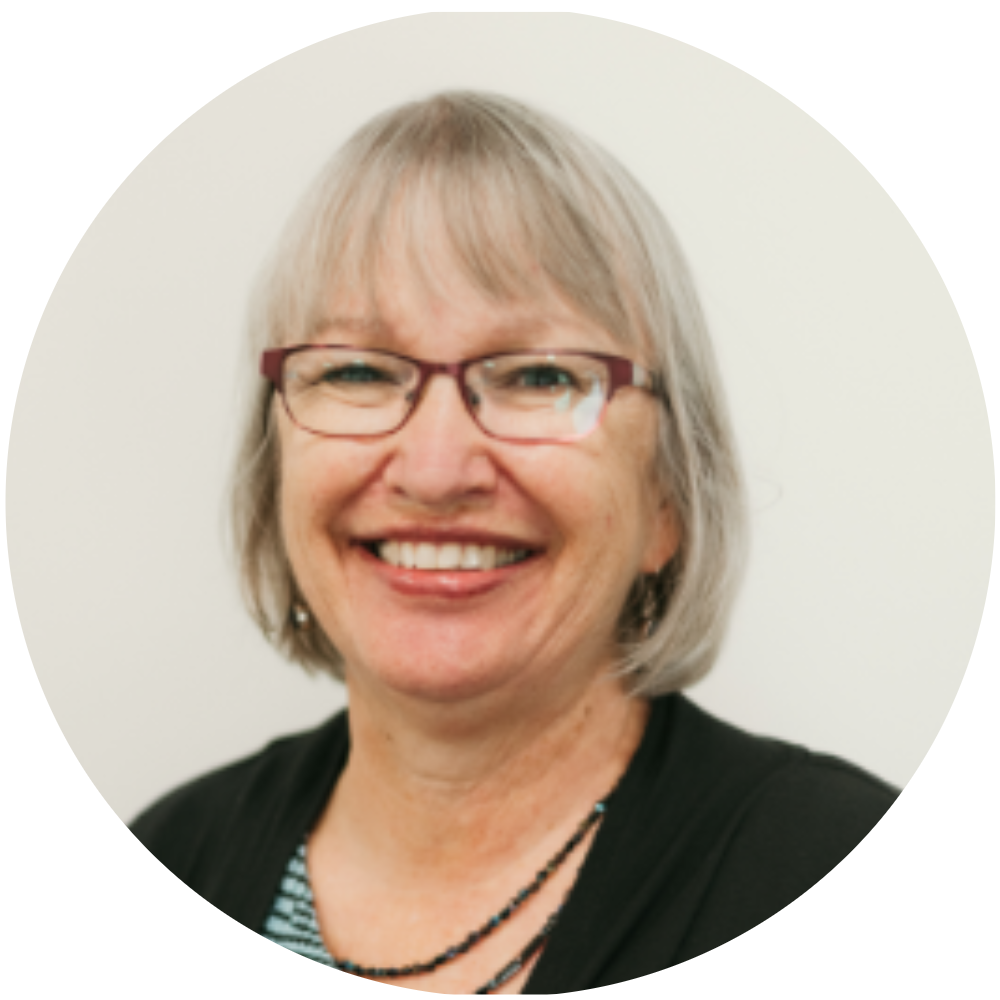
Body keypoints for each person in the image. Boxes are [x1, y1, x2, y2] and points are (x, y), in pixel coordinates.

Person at [131, 91, 896, 994]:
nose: (436, 470)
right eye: (358, 371)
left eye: (538, 376)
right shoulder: (167, 867)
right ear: (276, 469)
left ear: (668, 498)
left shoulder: (848, 883)